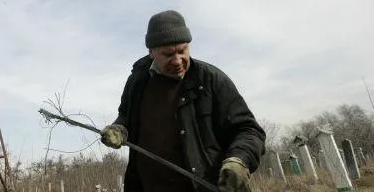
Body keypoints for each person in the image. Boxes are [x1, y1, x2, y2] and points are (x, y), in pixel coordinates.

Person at [100, 10, 266, 192]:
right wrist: (120, 129)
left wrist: (239, 160)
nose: (178, 60)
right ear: (151, 52)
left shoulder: (211, 80)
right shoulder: (137, 82)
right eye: (168, 54)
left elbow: (248, 130)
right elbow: (126, 116)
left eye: (182, 50)